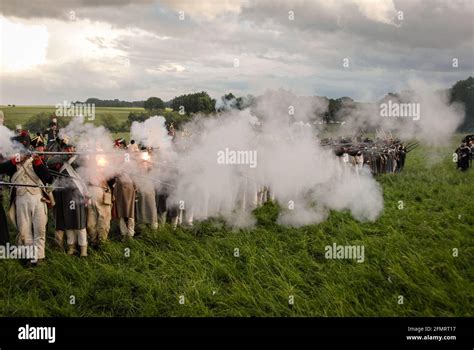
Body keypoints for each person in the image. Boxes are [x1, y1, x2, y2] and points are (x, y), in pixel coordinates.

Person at [0, 149, 53, 265]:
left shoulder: (37, 161)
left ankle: (39, 257)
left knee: (40, 229)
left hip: (38, 199)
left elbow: (49, 178)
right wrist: (16, 160)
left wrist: (37, 161)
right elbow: (1, 169)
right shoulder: (13, 164)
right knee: (25, 231)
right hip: (21, 200)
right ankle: (29, 257)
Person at [50, 142, 89, 257]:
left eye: (72, 147)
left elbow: (86, 165)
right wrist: (64, 157)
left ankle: (83, 250)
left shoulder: (78, 158)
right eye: (67, 148)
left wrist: (74, 156)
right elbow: (49, 162)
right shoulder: (59, 160)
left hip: (78, 193)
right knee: (69, 223)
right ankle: (71, 247)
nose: (70, 150)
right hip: (64, 195)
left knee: (80, 223)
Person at [112, 173, 136, 239]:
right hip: (119, 194)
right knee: (120, 215)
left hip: (130, 195)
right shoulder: (116, 173)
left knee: (130, 215)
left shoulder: (131, 173)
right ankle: (124, 233)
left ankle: (130, 234)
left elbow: (135, 185)